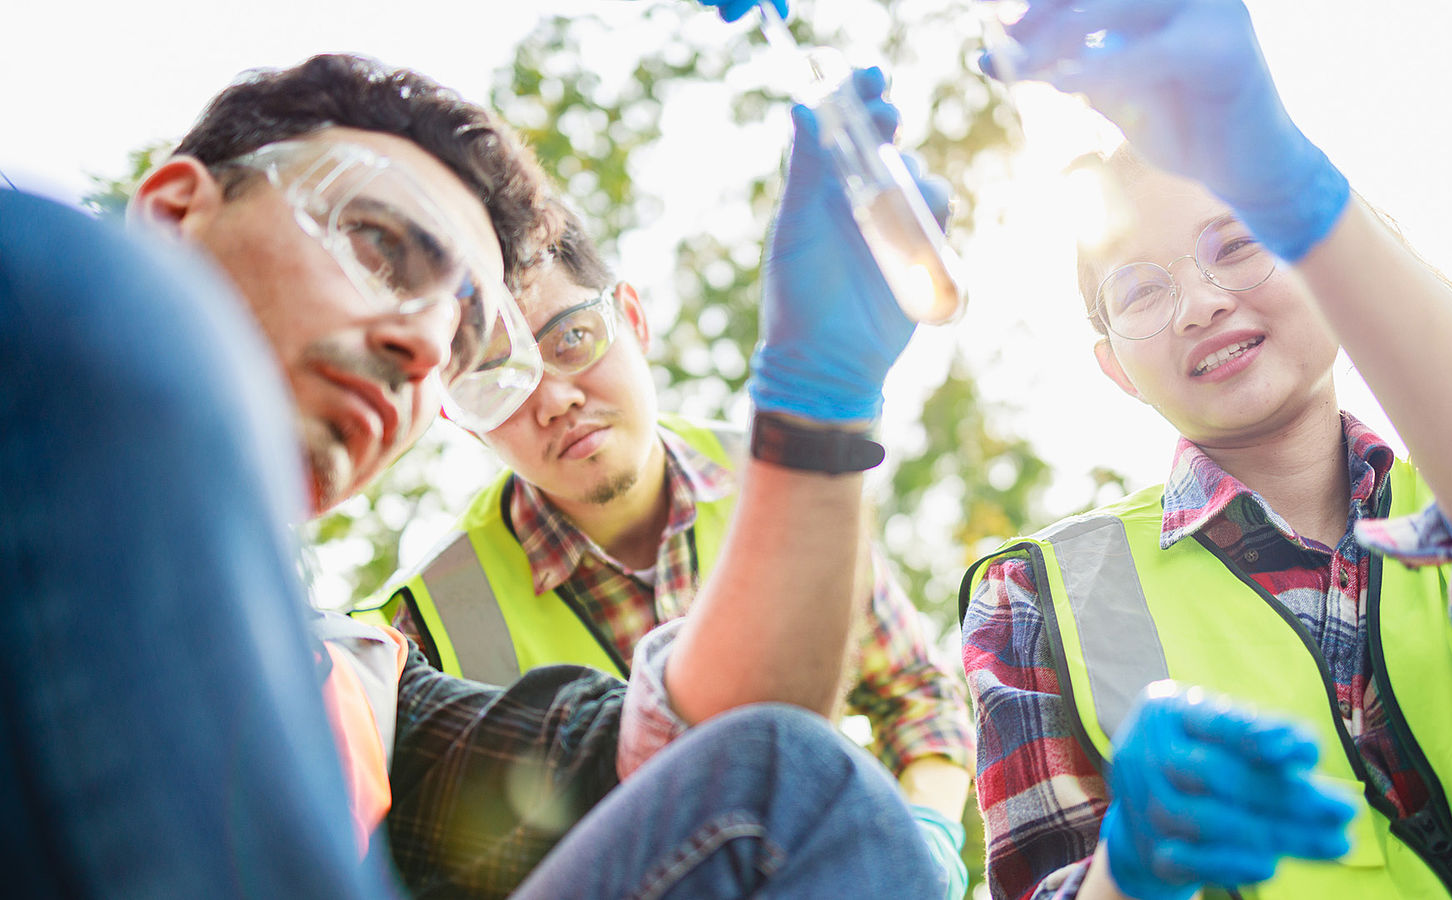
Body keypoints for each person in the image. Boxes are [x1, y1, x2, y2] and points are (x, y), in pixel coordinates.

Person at [4, 48, 945, 899]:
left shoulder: (369, 687)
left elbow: (714, 774)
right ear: (173, 212)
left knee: (796, 780)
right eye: (376, 245)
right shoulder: (56, 306)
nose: (420, 343)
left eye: (459, 343)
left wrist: (819, 407)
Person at [959, 1, 1452, 897]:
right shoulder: (1036, 595)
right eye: (1139, 290)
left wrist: (1290, 176)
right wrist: (1131, 871)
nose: (1202, 302)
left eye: (1239, 242)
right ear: (1117, 372)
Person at [355, 200, 976, 887]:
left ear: (634, 318)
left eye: (571, 338)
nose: (554, 397)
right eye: (499, 381)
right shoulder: (419, 625)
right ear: (469, 423)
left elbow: (917, 692)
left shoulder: (785, 482)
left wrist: (930, 836)